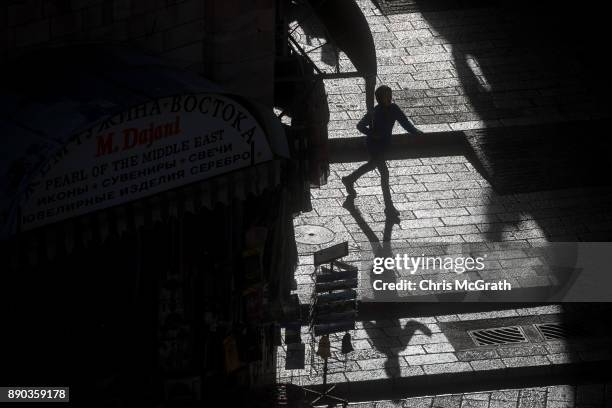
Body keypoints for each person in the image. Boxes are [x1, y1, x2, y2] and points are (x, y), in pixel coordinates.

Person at [342, 85, 422, 221]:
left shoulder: (394, 109)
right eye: (386, 96)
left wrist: (415, 132)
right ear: (379, 98)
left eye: (390, 95)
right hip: (373, 145)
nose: (390, 98)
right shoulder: (375, 112)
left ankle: (349, 179)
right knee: (384, 174)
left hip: (384, 145)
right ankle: (389, 206)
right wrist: (372, 133)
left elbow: (405, 122)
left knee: (371, 165)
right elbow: (360, 125)